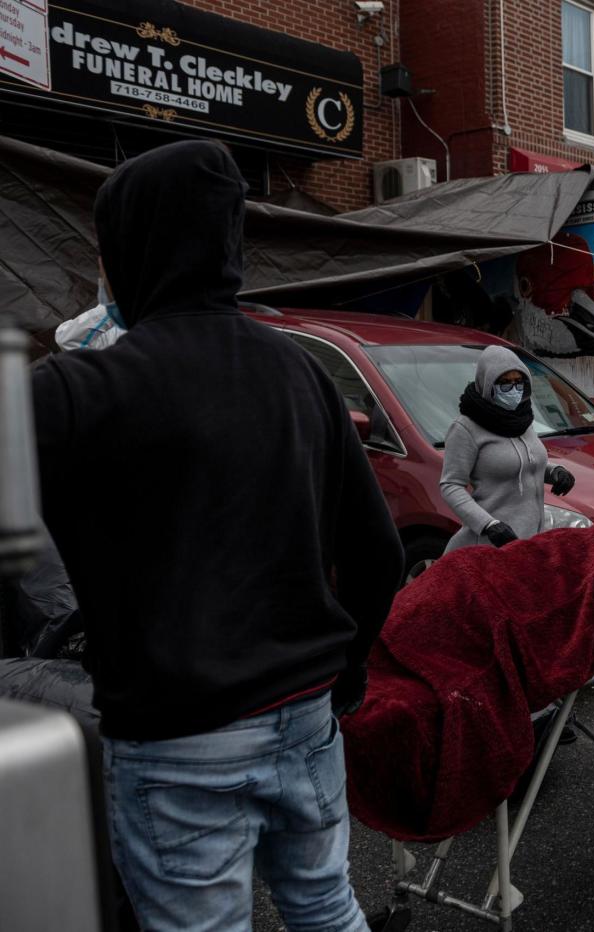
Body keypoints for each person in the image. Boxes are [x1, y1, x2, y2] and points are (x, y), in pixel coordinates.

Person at [31, 140, 405, 932]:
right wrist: (346, 676)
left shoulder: (74, 390)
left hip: (177, 737)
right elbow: (379, 555)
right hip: (306, 716)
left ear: (128, 250)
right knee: (328, 906)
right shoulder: (300, 370)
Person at [440, 345, 576, 552]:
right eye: (505, 383)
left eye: (518, 382)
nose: (513, 390)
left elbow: (525, 461)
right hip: (490, 545)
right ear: (488, 384)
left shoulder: (521, 419)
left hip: (531, 541)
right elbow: (450, 485)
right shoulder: (466, 428)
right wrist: (488, 525)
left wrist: (554, 471)